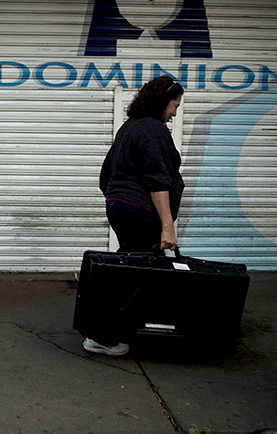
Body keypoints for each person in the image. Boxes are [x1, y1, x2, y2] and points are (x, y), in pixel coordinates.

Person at [88, 75, 185, 356]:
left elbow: (106, 174)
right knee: (132, 274)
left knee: (134, 266)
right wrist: (168, 226)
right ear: (162, 102)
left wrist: (116, 199)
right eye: (174, 105)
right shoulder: (153, 132)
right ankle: (102, 337)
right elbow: (158, 182)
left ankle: (128, 325)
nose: (175, 112)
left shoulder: (130, 127)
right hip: (139, 210)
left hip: (121, 206)